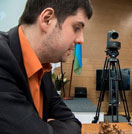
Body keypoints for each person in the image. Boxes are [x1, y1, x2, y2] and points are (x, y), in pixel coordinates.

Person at [0, 0, 93, 134]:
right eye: (76, 28)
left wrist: (49, 127)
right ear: (47, 19)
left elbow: (73, 122)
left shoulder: (43, 67)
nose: (81, 40)